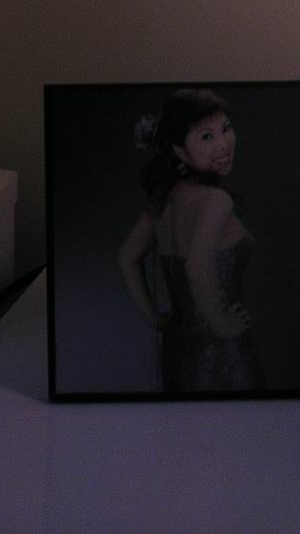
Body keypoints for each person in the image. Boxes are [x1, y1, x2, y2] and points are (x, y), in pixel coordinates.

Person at [118, 88, 261, 392]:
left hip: (176, 347)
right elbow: (196, 266)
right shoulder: (216, 201)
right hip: (221, 352)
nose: (223, 144)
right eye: (206, 137)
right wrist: (222, 325)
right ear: (180, 151)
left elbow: (127, 257)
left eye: (226, 129)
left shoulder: (165, 201)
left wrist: (156, 319)